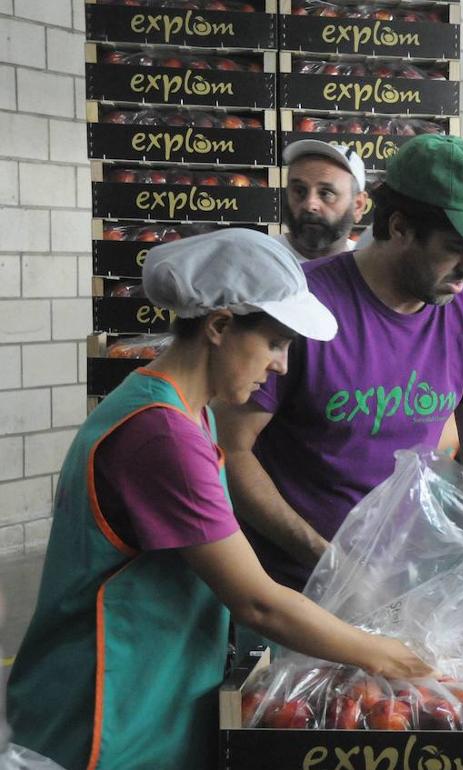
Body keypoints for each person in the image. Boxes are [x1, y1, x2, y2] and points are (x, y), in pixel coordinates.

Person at [4, 230, 432, 770]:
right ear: (220, 326)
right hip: (108, 712)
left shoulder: (181, 410)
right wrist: (392, 657)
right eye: (275, 343)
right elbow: (258, 602)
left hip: (147, 688)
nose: (280, 366)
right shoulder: (161, 437)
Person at [216, 134, 463, 592]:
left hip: (408, 582)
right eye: (456, 246)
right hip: (291, 590)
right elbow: (231, 449)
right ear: (399, 228)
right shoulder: (301, 305)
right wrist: (330, 562)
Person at [277, 140, 369, 261]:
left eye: (326, 193)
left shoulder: (369, 268)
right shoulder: (260, 260)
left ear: (358, 206)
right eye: (299, 191)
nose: (310, 204)